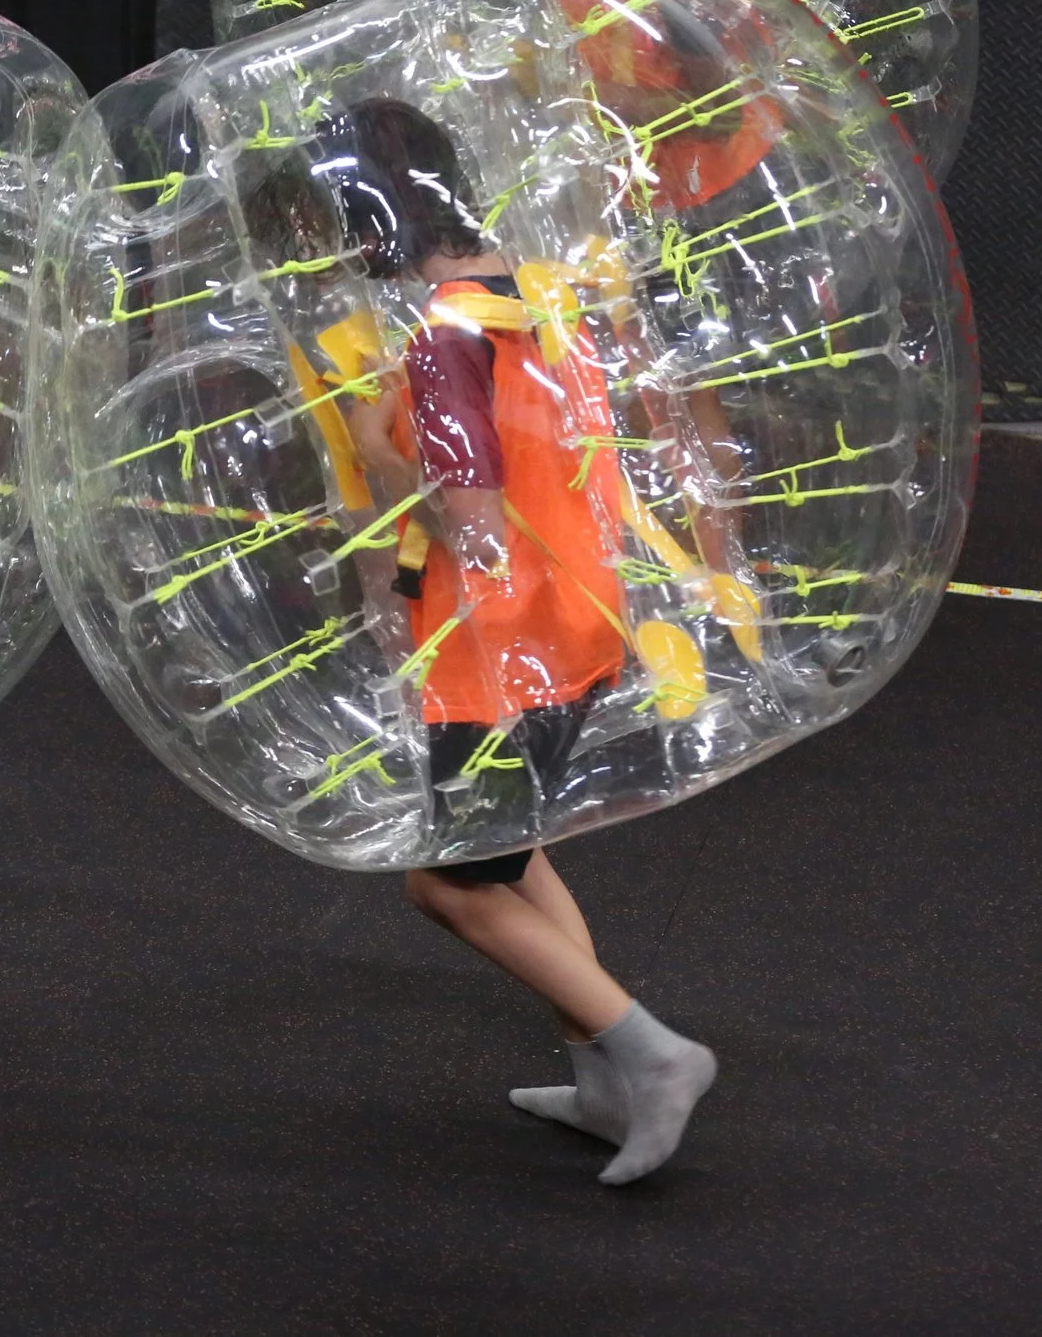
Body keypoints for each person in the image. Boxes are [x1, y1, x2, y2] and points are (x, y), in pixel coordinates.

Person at [258, 98, 719, 1185]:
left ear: (373, 219)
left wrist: (377, 455)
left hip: (500, 644)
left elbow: (467, 513)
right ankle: (603, 1074)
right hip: (576, 620)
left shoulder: (445, 338)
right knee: (510, 852)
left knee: (449, 883)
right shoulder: (535, 294)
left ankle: (653, 1054)